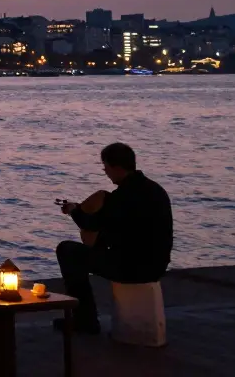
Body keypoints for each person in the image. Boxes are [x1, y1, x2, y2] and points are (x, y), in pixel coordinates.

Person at [55, 142, 173, 333]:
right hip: (157, 266)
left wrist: (74, 211)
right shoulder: (156, 190)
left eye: (106, 168)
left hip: (131, 267)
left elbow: (91, 225)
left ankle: (85, 320)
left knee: (68, 251)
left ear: (117, 168)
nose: (106, 173)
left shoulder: (122, 197)